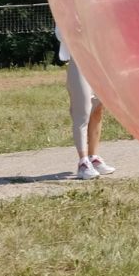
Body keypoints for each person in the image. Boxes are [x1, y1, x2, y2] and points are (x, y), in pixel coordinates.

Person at [55, 26, 114, 180]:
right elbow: (61, 34)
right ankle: (83, 163)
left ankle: (93, 157)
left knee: (98, 109)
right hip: (79, 62)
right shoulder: (67, 10)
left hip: (98, 62)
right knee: (82, 112)